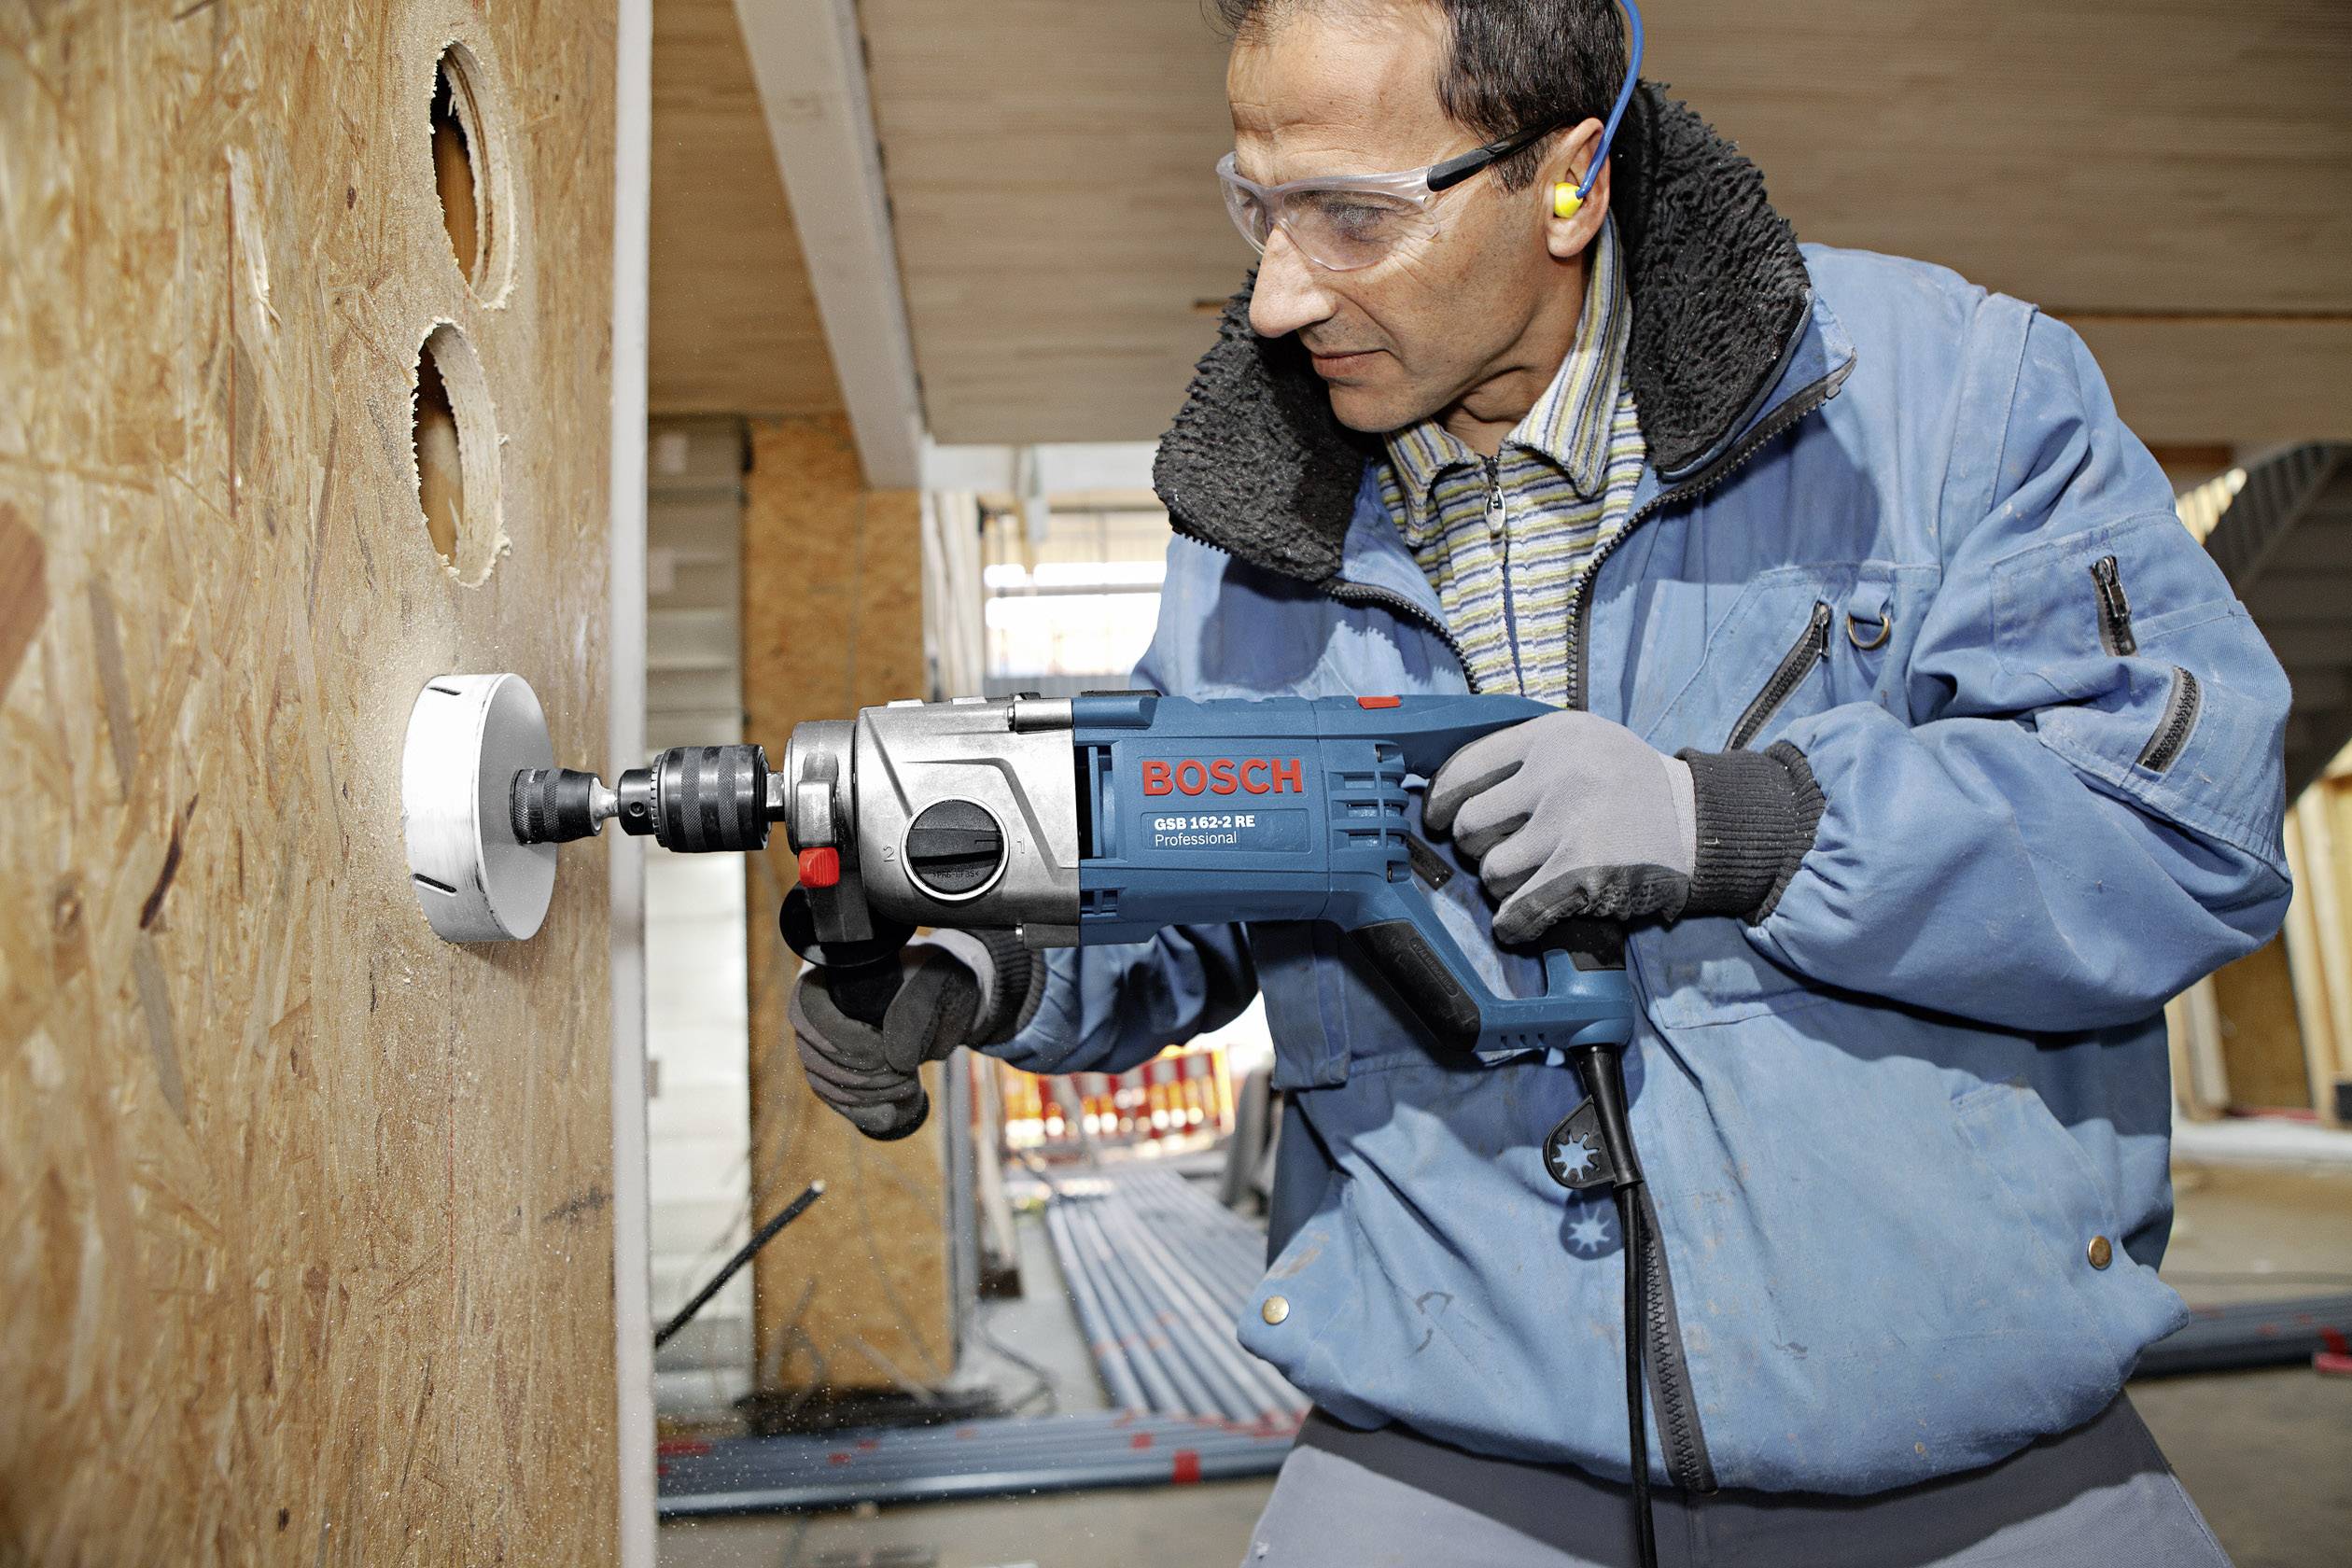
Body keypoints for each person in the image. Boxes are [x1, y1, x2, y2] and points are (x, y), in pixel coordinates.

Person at [790, 1, 2290, 1561]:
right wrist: (986, 965)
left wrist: (1746, 828)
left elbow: (2179, 830)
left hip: (1967, 1458)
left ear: (1567, 180)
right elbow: (1194, 894)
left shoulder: (1947, 402)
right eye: (1258, 207)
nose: (1281, 294)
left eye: (1352, 217)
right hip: (1446, 1451)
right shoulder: (1250, 537)